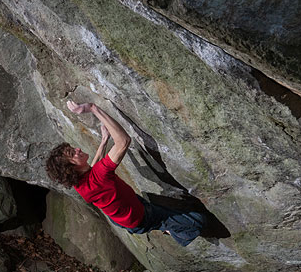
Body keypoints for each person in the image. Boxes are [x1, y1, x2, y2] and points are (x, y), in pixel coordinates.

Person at [45, 101, 205, 247]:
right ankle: (172, 231)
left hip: (125, 216)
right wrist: (93, 108)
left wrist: (104, 141)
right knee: (198, 221)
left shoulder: (80, 183)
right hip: (141, 218)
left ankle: (163, 224)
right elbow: (123, 141)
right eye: (73, 153)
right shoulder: (99, 177)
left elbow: (93, 167)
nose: (77, 149)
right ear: (71, 168)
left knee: (153, 209)